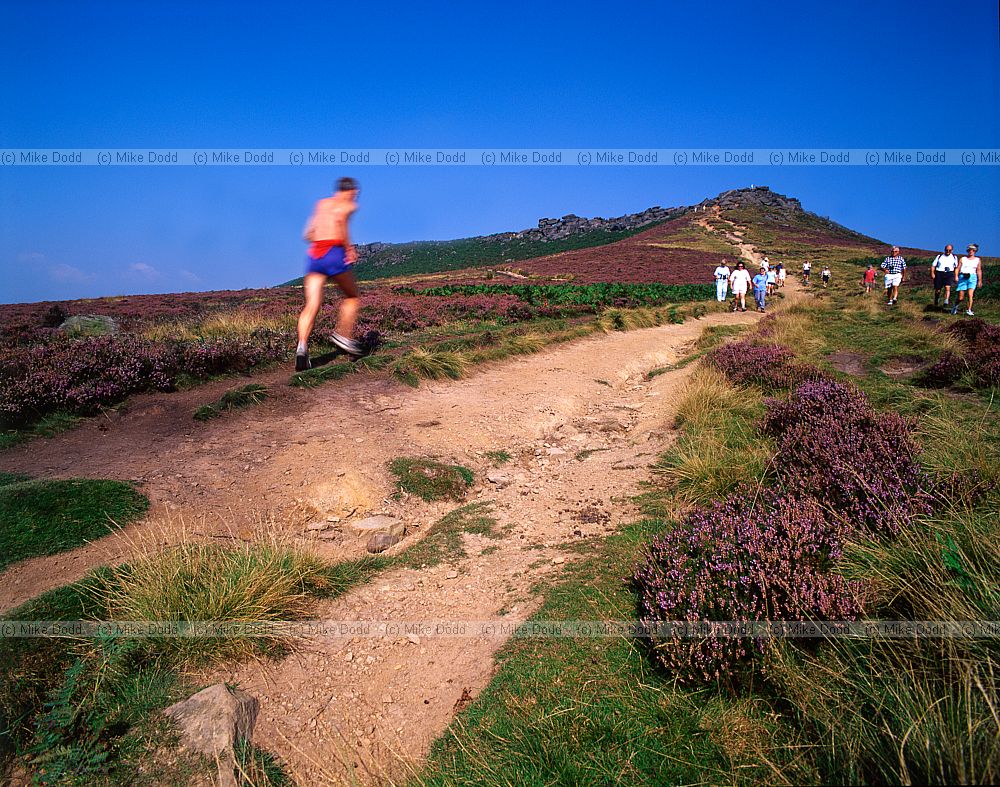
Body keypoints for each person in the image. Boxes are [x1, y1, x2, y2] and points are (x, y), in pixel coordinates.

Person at [296, 177, 364, 371]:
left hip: (315, 254)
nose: (356, 197)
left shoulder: (321, 204)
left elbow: (308, 234)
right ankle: (343, 335)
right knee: (352, 296)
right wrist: (349, 248)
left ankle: (302, 347)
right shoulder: (348, 206)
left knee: (312, 305)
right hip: (333, 252)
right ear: (349, 191)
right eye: (356, 193)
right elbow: (341, 221)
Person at [951, 244, 983, 316]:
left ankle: (969, 310)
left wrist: (980, 280)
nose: (971, 251)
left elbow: (979, 270)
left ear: (975, 251)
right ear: (967, 251)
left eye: (973, 250)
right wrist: (956, 276)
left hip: (972, 277)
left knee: (970, 294)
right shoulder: (963, 259)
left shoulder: (977, 260)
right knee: (961, 297)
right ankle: (955, 306)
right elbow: (958, 268)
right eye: (970, 250)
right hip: (963, 277)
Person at [931, 244, 958, 309]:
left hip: (949, 273)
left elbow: (956, 267)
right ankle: (936, 300)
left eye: (950, 250)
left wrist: (956, 276)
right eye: (947, 250)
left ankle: (946, 301)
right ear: (944, 249)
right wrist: (932, 273)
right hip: (939, 273)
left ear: (952, 250)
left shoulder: (954, 257)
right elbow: (933, 265)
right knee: (938, 290)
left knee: (947, 288)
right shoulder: (939, 256)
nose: (948, 251)